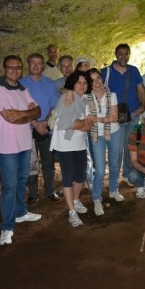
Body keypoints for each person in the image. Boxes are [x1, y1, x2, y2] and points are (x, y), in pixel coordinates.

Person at [0, 55, 42, 246]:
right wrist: (27, 114)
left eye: (18, 67)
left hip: (24, 143)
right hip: (6, 146)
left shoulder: (23, 89)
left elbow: (38, 111)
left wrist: (25, 114)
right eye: (10, 67)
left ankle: (20, 212)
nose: (14, 70)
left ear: (21, 70)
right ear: (4, 69)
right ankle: (6, 227)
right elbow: (10, 118)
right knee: (10, 185)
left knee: (21, 180)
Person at [50, 70, 96, 227]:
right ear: (72, 84)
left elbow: (89, 126)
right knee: (68, 177)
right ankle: (71, 212)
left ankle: (75, 200)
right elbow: (64, 124)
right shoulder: (66, 97)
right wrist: (82, 123)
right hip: (64, 145)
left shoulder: (85, 100)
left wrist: (80, 123)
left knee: (80, 175)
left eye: (84, 83)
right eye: (78, 82)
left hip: (79, 144)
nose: (82, 86)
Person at [20, 53, 61, 204]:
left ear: (43, 65)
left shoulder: (50, 84)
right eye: (33, 63)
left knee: (48, 163)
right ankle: (33, 193)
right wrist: (35, 123)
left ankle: (50, 191)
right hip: (27, 130)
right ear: (28, 65)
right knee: (30, 164)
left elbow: (54, 106)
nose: (36, 66)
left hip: (46, 129)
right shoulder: (21, 84)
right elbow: (20, 108)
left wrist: (44, 123)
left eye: (39, 63)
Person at [101, 43, 145, 178]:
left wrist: (143, 106)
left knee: (130, 145)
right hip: (115, 115)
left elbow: (141, 88)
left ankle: (127, 174)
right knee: (117, 147)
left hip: (132, 114)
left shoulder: (133, 70)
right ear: (116, 55)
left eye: (126, 54)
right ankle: (115, 176)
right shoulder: (106, 72)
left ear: (129, 55)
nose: (123, 57)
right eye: (120, 54)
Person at [86, 69, 123, 217]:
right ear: (89, 83)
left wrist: (97, 119)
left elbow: (114, 118)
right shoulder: (86, 98)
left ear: (102, 79)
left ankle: (113, 190)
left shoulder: (111, 95)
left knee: (114, 164)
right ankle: (96, 198)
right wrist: (99, 119)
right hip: (97, 135)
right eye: (93, 80)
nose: (97, 82)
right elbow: (87, 118)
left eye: (98, 78)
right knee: (100, 169)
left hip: (114, 132)